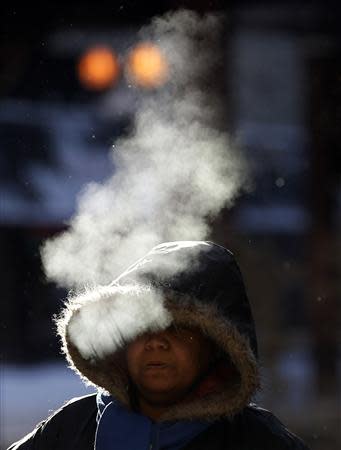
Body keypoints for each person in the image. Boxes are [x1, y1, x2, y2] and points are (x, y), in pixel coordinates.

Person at [8, 241, 310, 449]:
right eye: (142, 325)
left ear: (218, 344)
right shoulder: (73, 428)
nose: (156, 342)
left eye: (178, 328)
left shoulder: (258, 441)